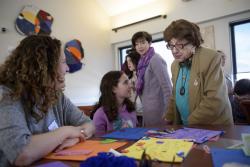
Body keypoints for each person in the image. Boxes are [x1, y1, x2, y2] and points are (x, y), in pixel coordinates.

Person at [0, 35, 95, 167]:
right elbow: (21, 153)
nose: (67, 68)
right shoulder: (7, 95)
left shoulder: (56, 95)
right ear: (44, 66)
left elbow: (88, 123)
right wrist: (66, 132)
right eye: (63, 62)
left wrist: (78, 136)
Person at [163, 19, 233, 125]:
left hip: (212, 127)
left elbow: (215, 100)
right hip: (186, 128)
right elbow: (175, 94)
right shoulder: (175, 65)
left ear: (193, 43)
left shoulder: (210, 58)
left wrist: (189, 124)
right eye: (171, 45)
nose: (174, 51)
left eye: (179, 45)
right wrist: (169, 116)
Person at [131, 31, 172, 126]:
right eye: (136, 44)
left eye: (142, 42)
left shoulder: (155, 59)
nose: (140, 46)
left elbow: (167, 88)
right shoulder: (141, 62)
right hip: (147, 110)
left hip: (159, 111)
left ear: (149, 43)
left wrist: (169, 113)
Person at [92, 71, 137, 135]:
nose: (130, 85)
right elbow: (97, 141)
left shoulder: (130, 108)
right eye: (125, 82)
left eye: (129, 81)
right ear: (114, 89)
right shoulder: (100, 114)